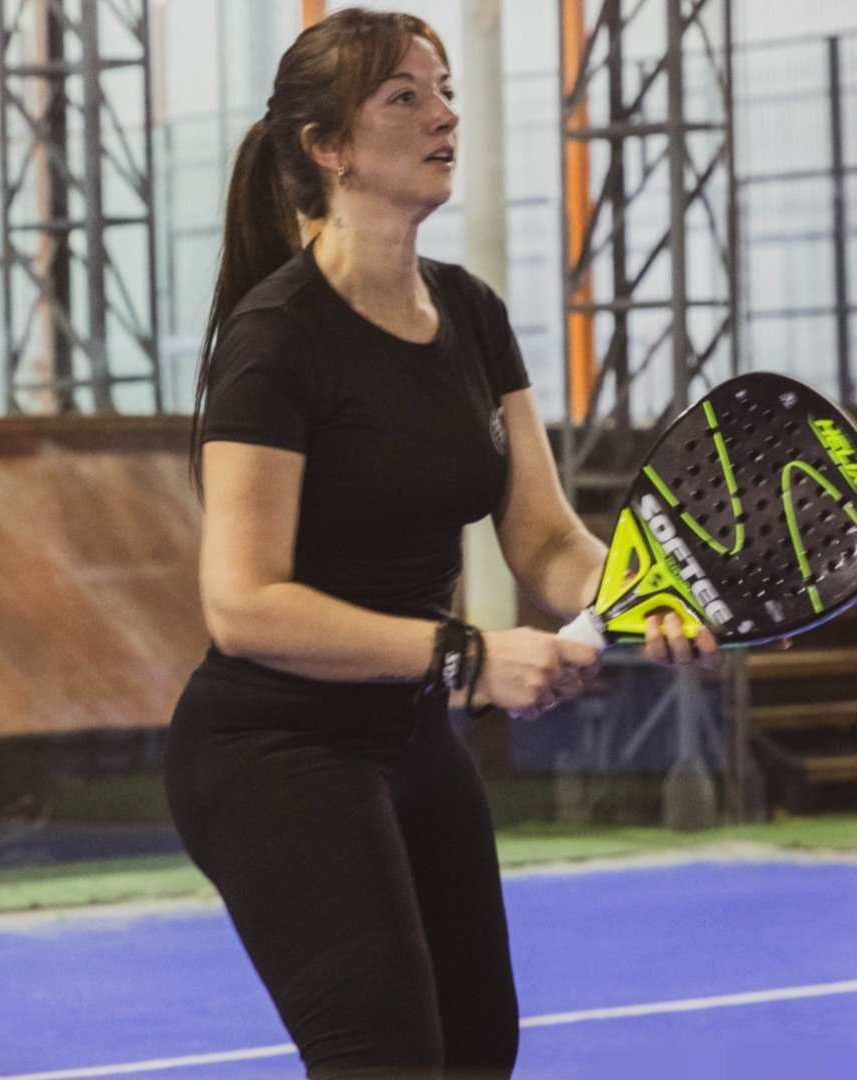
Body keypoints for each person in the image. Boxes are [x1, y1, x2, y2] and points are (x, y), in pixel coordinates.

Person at [165, 9, 718, 1078]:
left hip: (413, 738)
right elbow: (242, 604)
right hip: (272, 750)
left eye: (447, 91)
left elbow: (545, 539)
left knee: (475, 1055)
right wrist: (465, 655)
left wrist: (641, 591)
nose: (445, 116)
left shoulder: (471, 313)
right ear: (328, 146)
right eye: (405, 97)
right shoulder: (276, 340)